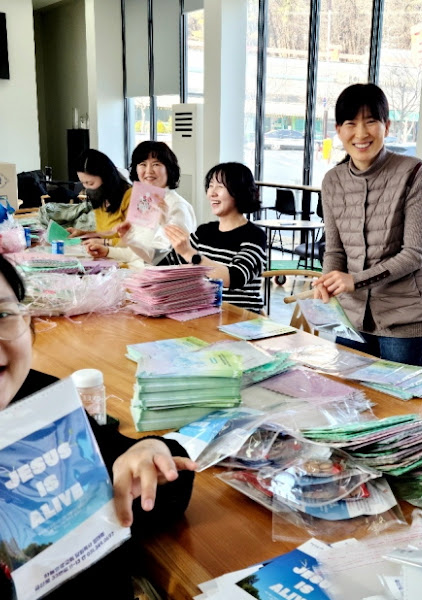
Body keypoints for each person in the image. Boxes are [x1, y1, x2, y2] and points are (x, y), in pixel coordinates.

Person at [0, 253, 196, 599]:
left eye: (2, 315)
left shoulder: (44, 403)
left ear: (27, 322)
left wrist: (150, 453)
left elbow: (153, 490)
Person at [313, 83, 422, 367]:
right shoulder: (332, 181)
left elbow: (414, 255)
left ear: (387, 126)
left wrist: (354, 280)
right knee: (350, 391)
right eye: (351, 123)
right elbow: (335, 250)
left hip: (405, 317)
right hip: (351, 316)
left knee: (398, 394)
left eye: (371, 121)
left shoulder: (413, 172)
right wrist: (327, 281)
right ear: (338, 130)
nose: (361, 133)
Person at [163, 162, 267, 312]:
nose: (212, 193)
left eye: (220, 186)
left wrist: (190, 254)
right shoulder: (204, 231)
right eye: (210, 186)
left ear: (239, 191)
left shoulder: (255, 236)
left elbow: (235, 277)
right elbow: (166, 263)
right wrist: (132, 239)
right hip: (204, 314)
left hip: (240, 319)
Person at [85, 141, 197, 266]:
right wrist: (108, 251)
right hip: (135, 271)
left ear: (169, 169)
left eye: (156, 164)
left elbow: (165, 258)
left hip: (159, 275)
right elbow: (137, 253)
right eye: (143, 164)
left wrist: (163, 223)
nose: (149, 171)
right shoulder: (144, 201)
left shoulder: (177, 206)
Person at [68, 148, 132, 243]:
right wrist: (83, 234)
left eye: (90, 183)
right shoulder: (100, 197)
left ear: (106, 178)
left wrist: (104, 243)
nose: (86, 188)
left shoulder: (130, 196)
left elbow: (134, 241)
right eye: (83, 183)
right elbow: (106, 233)